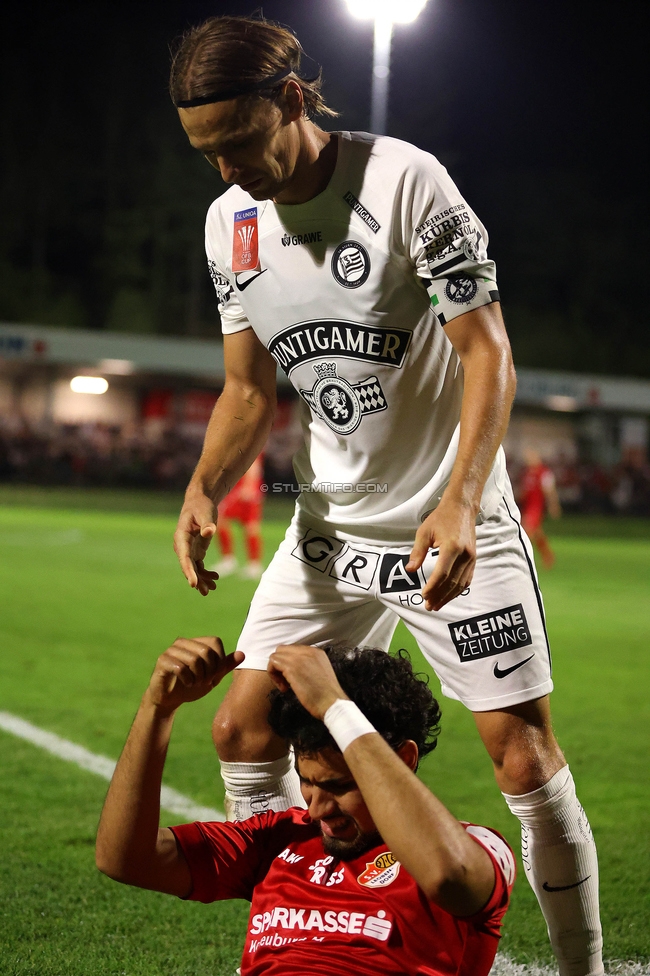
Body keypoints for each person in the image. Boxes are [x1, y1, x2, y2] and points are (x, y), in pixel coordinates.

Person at [169, 15, 603, 975]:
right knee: (242, 728)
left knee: (523, 760)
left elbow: (486, 351)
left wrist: (459, 500)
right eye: (207, 154)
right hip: (328, 529)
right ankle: (293, 941)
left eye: (240, 141)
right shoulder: (227, 224)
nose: (229, 170)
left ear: (292, 99)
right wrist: (204, 487)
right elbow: (249, 388)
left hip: (446, 522)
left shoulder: (406, 181)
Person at [96, 637, 516, 975]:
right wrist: (158, 710)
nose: (315, 809)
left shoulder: (470, 845)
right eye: (307, 782)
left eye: (337, 785)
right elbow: (125, 859)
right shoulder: (278, 838)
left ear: (404, 760)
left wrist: (336, 708)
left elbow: (450, 877)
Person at [210, 454, 265, 579]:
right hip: (239, 486)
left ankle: (248, 563)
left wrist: (249, 485)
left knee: (249, 525)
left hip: (244, 488)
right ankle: (238, 562)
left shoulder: (246, 438)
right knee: (224, 520)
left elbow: (253, 463)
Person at [519, 448, 562, 569]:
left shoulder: (544, 472)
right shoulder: (527, 472)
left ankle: (524, 559)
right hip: (527, 507)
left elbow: (549, 491)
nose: (529, 459)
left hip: (536, 507)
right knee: (537, 533)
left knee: (526, 532)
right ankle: (548, 555)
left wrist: (553, 505)